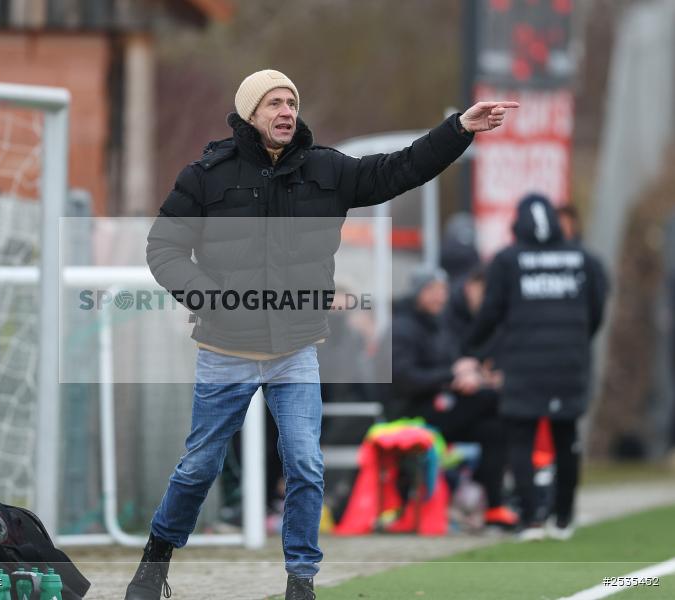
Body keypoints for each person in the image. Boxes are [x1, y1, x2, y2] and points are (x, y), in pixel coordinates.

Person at [134, 68, 517, 600]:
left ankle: (301, 582)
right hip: (225, 349)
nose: (286, 111)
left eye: (291, 101)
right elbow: (163, 249)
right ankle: (155, 561)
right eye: (273, 103)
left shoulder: (326, 170)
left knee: (306, 464)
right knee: (199, 467)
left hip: (295, 350)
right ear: (250, 114)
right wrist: (211, 298)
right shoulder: (205, 175)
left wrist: (459, 130)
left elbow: (401, 168)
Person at [464, 193, 608, 541]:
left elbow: (490, 313)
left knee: (521, 441)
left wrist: (471, 348)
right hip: (569, 365)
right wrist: (574, 342)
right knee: (566, 439)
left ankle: (530, 520)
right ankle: (562, 518)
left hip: (522, 366)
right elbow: (596, 311)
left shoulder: (507, 260)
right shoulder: (584, 259)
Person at [391, 266, 516, 530]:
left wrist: (474, 377)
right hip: (410, 413)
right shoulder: (402, 327)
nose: (439, 296)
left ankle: (492, 505)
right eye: (432, 290)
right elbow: (403, 379)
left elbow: (452, 368)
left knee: (496, 427)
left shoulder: (440, 326)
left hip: (443, 406)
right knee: (491, 400)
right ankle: (468, 493)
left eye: (443, 290)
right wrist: (452, 375)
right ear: (417, 292)